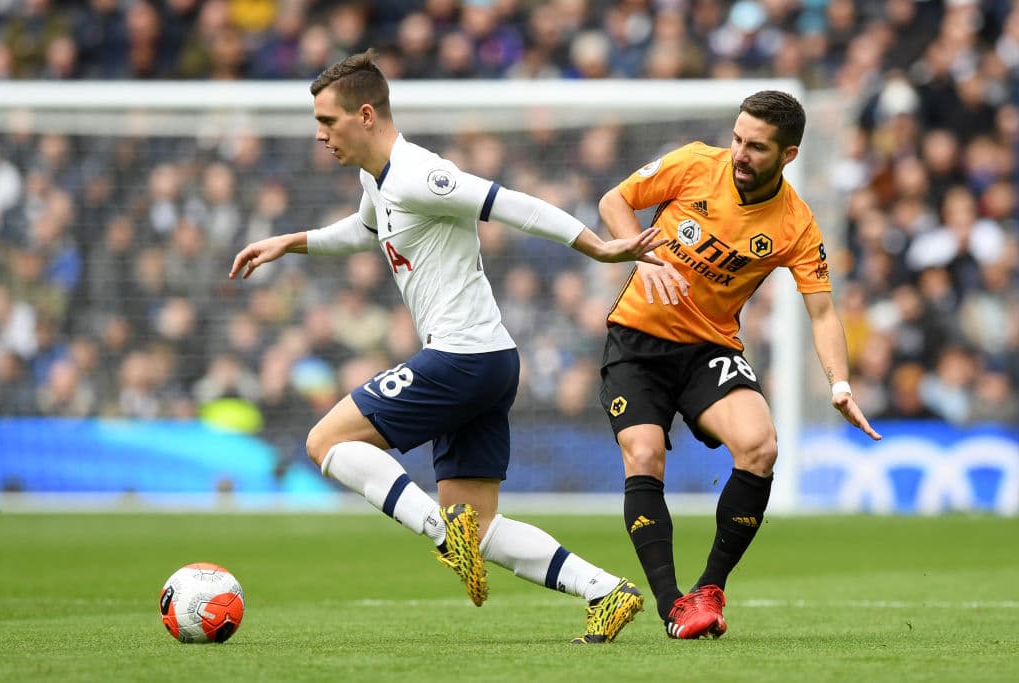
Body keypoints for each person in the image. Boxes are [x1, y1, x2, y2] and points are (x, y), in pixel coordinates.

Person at [229, 50, 664, 644]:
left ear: (364, 115)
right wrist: (290, 241)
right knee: (479, 525)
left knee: (324, 440)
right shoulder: (375, 179)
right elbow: (362, 230)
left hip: (462, 358)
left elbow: (513, 204)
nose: (319, 134)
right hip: (488, 361)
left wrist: (600, 248)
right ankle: (605, 591)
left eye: (327, 122)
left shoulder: (418, 174)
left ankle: (438, 532)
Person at [596, 90, 883, 640]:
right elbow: (615, 199)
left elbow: (822, 312)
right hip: (637, 339)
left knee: (761, 446)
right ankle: (670, 604)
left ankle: (710, 589)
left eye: (755, 146)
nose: (739, 154)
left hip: (710, 349)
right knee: (644, 452)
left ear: (787, 155)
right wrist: (639, 251)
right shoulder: (694, 164)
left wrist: (840, 384)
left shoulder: (795, 224)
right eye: (737, 139)